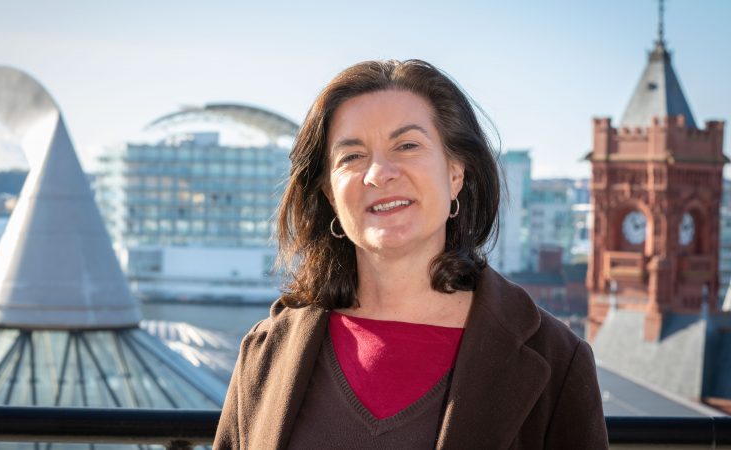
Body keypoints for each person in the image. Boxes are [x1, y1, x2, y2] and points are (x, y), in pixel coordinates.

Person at [214, 59, 608, 449]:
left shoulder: (556, 359)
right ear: (330, 195)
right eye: (351, 156)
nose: (379, 173)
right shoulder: (266, 351)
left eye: (407, 145)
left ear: (455, 173)